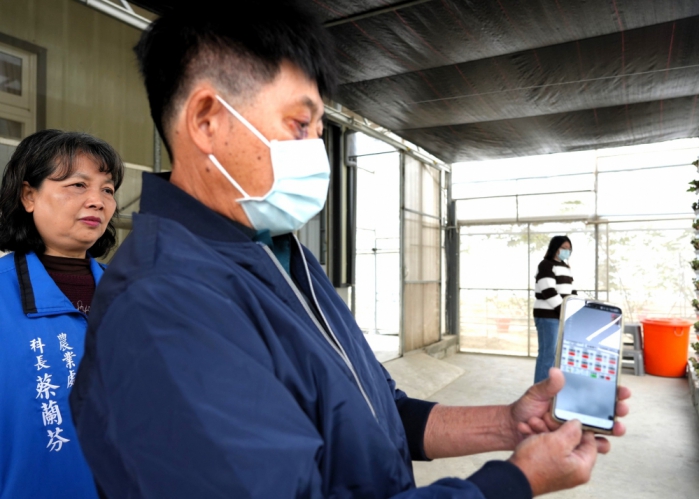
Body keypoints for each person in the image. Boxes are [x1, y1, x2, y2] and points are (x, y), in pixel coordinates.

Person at [70, 4, 629, 498]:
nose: (317, 150)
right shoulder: (165, 307)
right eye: (300, 123)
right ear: (206, 121)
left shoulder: (279, 254)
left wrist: (508, 423)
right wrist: (516, 481)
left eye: (320, 128)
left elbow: (374, 413)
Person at [0, 129, 123, 498]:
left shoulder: (136, 297)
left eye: (107, 190)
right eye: (77, 185)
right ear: (29, 196)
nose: (97, 201)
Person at [533, 235, 576, 383]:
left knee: (556, 355)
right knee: (547, 355)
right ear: (554, 248)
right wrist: (565, 311)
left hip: (560, 315)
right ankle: (540, 389)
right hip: (547, 316)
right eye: (563, 248)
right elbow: (549, 291)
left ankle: (550, 387)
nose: (566, 251)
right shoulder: (546, 265)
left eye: (569, 249)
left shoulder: (566, 268)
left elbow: (571, 291)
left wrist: (575, 307)